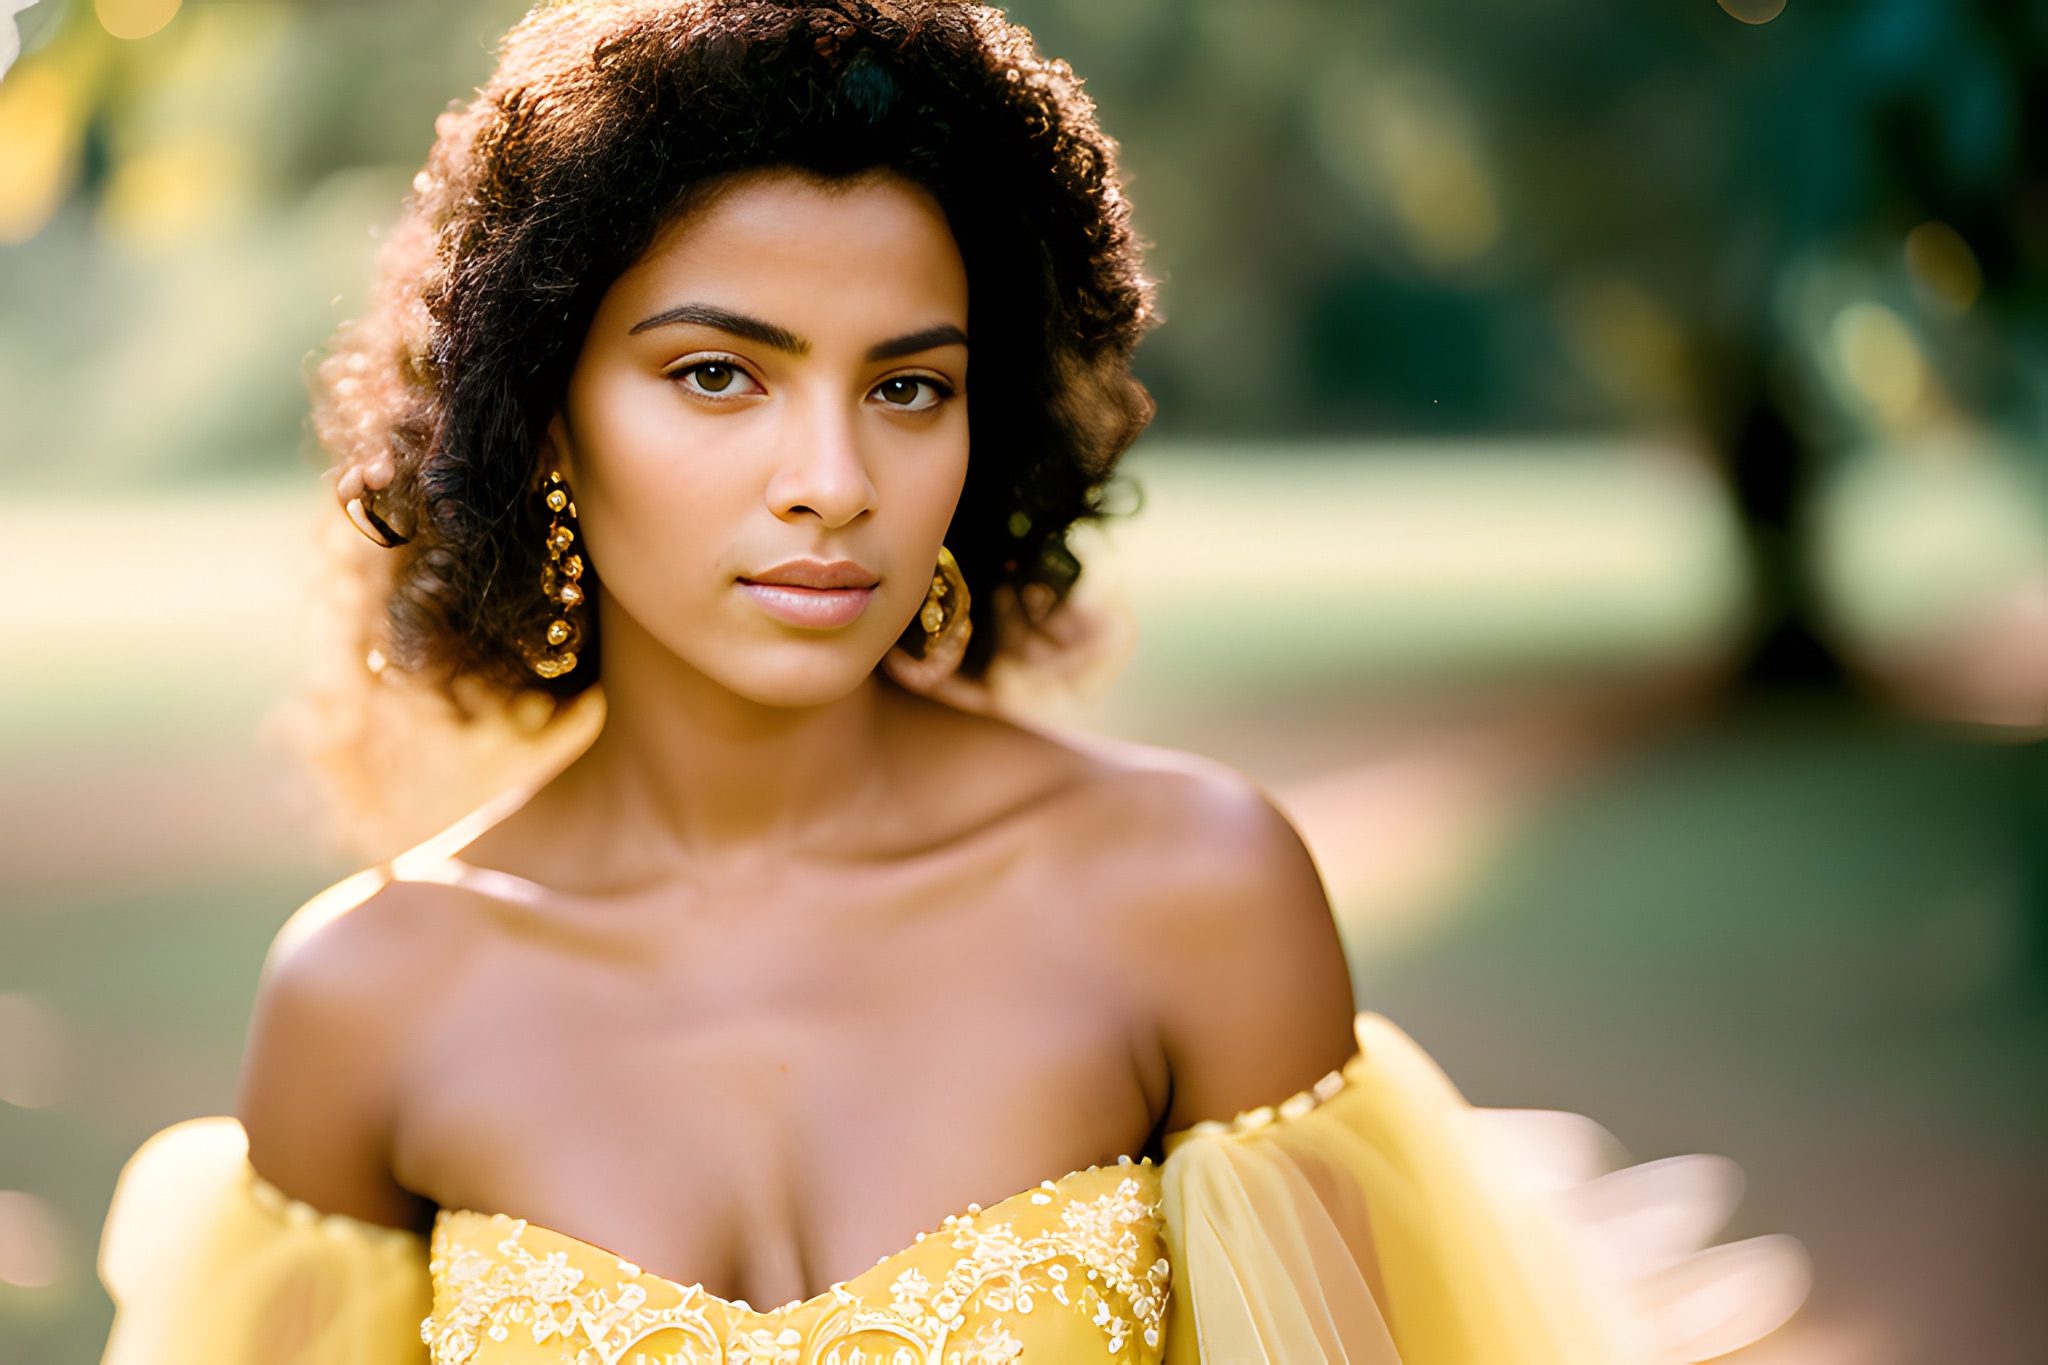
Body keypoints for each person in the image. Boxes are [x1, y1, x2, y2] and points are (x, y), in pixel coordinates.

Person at [95, 4, 1806, 1362]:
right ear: (539, 411)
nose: (833, 474)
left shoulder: (1187, 895)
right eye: (718, 374)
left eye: (909, 387)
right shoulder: (367, 995)